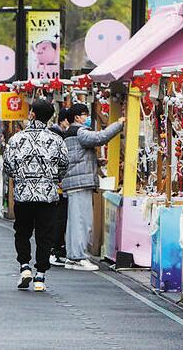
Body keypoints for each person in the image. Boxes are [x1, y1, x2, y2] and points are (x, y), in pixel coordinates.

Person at [3, 99, 68, 292]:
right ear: (50, 117)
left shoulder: (16, 139)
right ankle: (40, 275)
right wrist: (53, 178)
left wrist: (20, 178)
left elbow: (8, 166)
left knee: (22, 231)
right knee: (44, 234)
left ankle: (24, 267)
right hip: (47, 195)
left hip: (23, 195)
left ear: (31, 114)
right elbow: (64, 164)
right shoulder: (56, 139)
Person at [61, 103, 124, 271]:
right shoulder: (80, 132)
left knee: (75, 222)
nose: (87, 118)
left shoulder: (70, 134)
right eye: (84, 115)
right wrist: (118, 124)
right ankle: (78, 257)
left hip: (75, 183)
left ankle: (73, 256)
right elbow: (100, 137)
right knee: (82, 222)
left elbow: (77, 158)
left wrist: (95, 162)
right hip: (79, 184)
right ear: (77, 117)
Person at [48, 107, 69, 266]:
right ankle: (55, 250)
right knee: (58, 218)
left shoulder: (52, 134)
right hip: (57, 185)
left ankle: (54, 249)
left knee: (55, 218)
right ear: (64, 120)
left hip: (52, 184)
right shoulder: (59, 136)